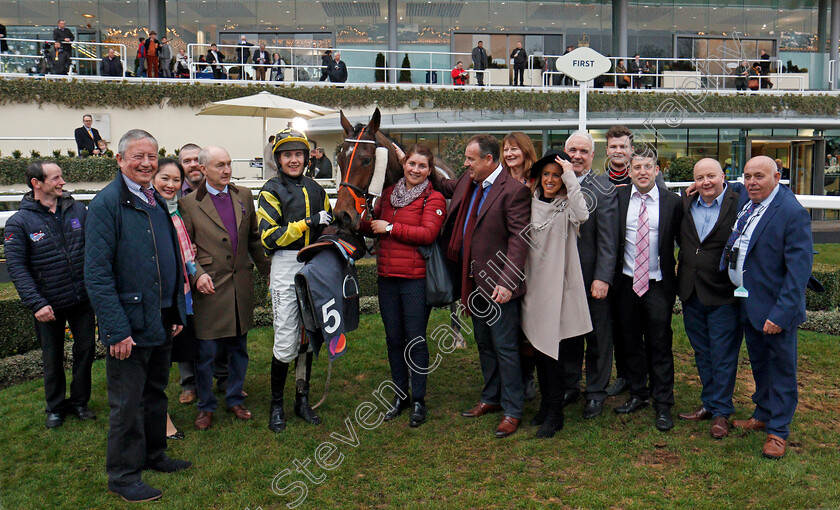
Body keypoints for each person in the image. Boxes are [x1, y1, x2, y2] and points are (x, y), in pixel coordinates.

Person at [85, 129, 190, 503]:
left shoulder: (155, 199)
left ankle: (153, 454)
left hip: (160, 317)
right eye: (138, 157)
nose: (146, 164)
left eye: (152, 156)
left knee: (154, 393)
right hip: (127, 323)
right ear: (120, 160)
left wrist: (176, 309)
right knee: (127, 403)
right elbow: (96, 274)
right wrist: (115, 330)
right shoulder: (106, 204)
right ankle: (123, 476)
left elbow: (171, 259)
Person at [432, 134, 531, 438]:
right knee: (485, 344)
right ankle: (491, 397)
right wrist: (399, 155)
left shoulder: (513, 191)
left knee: (505, 347)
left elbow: (519, 240)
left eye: (470, 158)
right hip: (472, 282)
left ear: (489, 160)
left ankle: (513, 409)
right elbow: (442, 183)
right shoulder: (469, 181)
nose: (465, 164)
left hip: (499, 286)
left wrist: (507, 282)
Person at [179, 146, 270, 432]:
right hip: (210, 288)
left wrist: (268, 272)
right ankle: (205, 406)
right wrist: (198, 276)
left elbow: (254, 239)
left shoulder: (243, 196)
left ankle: (234, 398)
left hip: (239, 286)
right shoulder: (189, 204)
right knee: (205, 353)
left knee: (239, 348)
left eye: (229, 164)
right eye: (220, 165)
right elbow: (186, 249)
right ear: (204, 170)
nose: (227, 170)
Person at [726, 156, 812, 459]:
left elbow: (798, 271)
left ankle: (778, 431)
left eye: (759, 176)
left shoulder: (791, 213)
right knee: (760, 365)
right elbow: (732, 185)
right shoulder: (749, 202)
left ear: (777, 177)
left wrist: (781, 314)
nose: (751, 182)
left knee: (781, 369)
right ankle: (762, 413)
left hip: (776, 310)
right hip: (748, 301)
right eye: (747, 176)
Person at [5, 161, 96, 429]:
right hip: (48, 305)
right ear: (37, 183)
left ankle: (80, 402)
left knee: (86, 351)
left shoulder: (77, 209)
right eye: (56, 178)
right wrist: (36, 303)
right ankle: (55, 407)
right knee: (52, 357)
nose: (62, 182)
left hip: (82, 299)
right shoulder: (19, 222)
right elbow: (17, 269)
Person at [360, 143, 446, 428]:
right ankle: (401, 395)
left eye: (422, 166)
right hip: (387, 279)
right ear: (404, 165)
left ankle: (419, 399)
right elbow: (373, 225)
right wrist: (362, 219)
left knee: (415, 340)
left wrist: (391, 228)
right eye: (412, 164)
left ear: (429, 171)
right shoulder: (387, 195)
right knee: (394, 339)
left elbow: (427, 234)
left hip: (415, 281)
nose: (416, 170)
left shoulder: (433, 200)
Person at [257, 128, 333, 433]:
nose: (293, 160)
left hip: (313, 265)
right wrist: (307, 223)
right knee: (287, 338)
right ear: (278, 159)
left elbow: (329, 227)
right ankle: (277, 405)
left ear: (306, 157)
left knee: (309, 338)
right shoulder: (270, 190)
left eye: (298, 154)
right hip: (286, 265)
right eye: (287, 155)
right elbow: (269, 237)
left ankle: (302, 400)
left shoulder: (317, 190)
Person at [521, 150, 591, 438]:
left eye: (557, 175)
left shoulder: (568, 205)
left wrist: (571, 178)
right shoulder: (528, 202)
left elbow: (583, 214)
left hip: (558, 286)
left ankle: (555, 412)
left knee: (554, 352)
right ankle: (544, 406)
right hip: (532, 285)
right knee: (537, 349)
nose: (551, 180)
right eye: (546, 174)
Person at [613, 150, 683, 432]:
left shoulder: (673, 203)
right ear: (629, 172)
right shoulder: (617, 199)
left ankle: (663, 402)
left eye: (648, 167)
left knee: (660, 343)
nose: (642, 171)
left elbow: (685, 240)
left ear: (657, 171)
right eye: (637, 167)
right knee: (630, 341)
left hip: (657, 284)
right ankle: (638, 393)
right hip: (626, 283)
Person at [676, 158, 742, 439]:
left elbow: (774, 190)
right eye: (700, 177)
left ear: (723, 176)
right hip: (691, 291)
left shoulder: (738, 202)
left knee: (723, 355)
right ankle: (709, 404)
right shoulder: (685, 203)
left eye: (711, 176)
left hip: (722, 292)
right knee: (703, 352)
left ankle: (722, 414)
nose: (706, 182)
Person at [560, 131, 619, 420]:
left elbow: (609, 239)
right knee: (568, 336)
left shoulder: (604, 188)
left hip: (592, 278)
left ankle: (595, 393)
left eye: (584, 151)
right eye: (573, 150)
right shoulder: (554, 182)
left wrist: (603, 277)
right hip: (562, 278)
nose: (577, 156)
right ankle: (570, 385)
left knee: (597, 338)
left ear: (592, 156)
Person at [152, 158, 197, 441]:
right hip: (158, 297)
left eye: (176, 180)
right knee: (157, 360)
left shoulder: (176, 212)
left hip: (181, 292)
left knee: (173, 349)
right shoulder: (151, 211)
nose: (171, 185)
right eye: (164, 178)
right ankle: (161, 419)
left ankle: (162, 413)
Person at [501, 131, 538, 401]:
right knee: (511, 324)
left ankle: (528, 376)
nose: (510, 154)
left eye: (514, 149)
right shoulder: (499, 181)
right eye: (505, 149)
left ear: (525, 151)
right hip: (504, 258)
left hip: (534, 258)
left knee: (529, 323)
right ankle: (515, 377)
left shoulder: (536, 182)